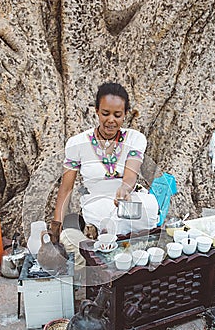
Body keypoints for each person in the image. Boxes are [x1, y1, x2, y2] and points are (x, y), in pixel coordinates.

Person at [51, 82, 159, 247]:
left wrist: (124, 190)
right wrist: (56, 225)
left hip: (127, 199)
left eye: (117, 115)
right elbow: (66, 188)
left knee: (149, 207)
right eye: (105, 113)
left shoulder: (135, 139)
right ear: (97, 111)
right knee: (106, 216)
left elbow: (131, 174)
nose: (111, 120)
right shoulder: (77, 143)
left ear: (125, 115)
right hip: (97, 202)